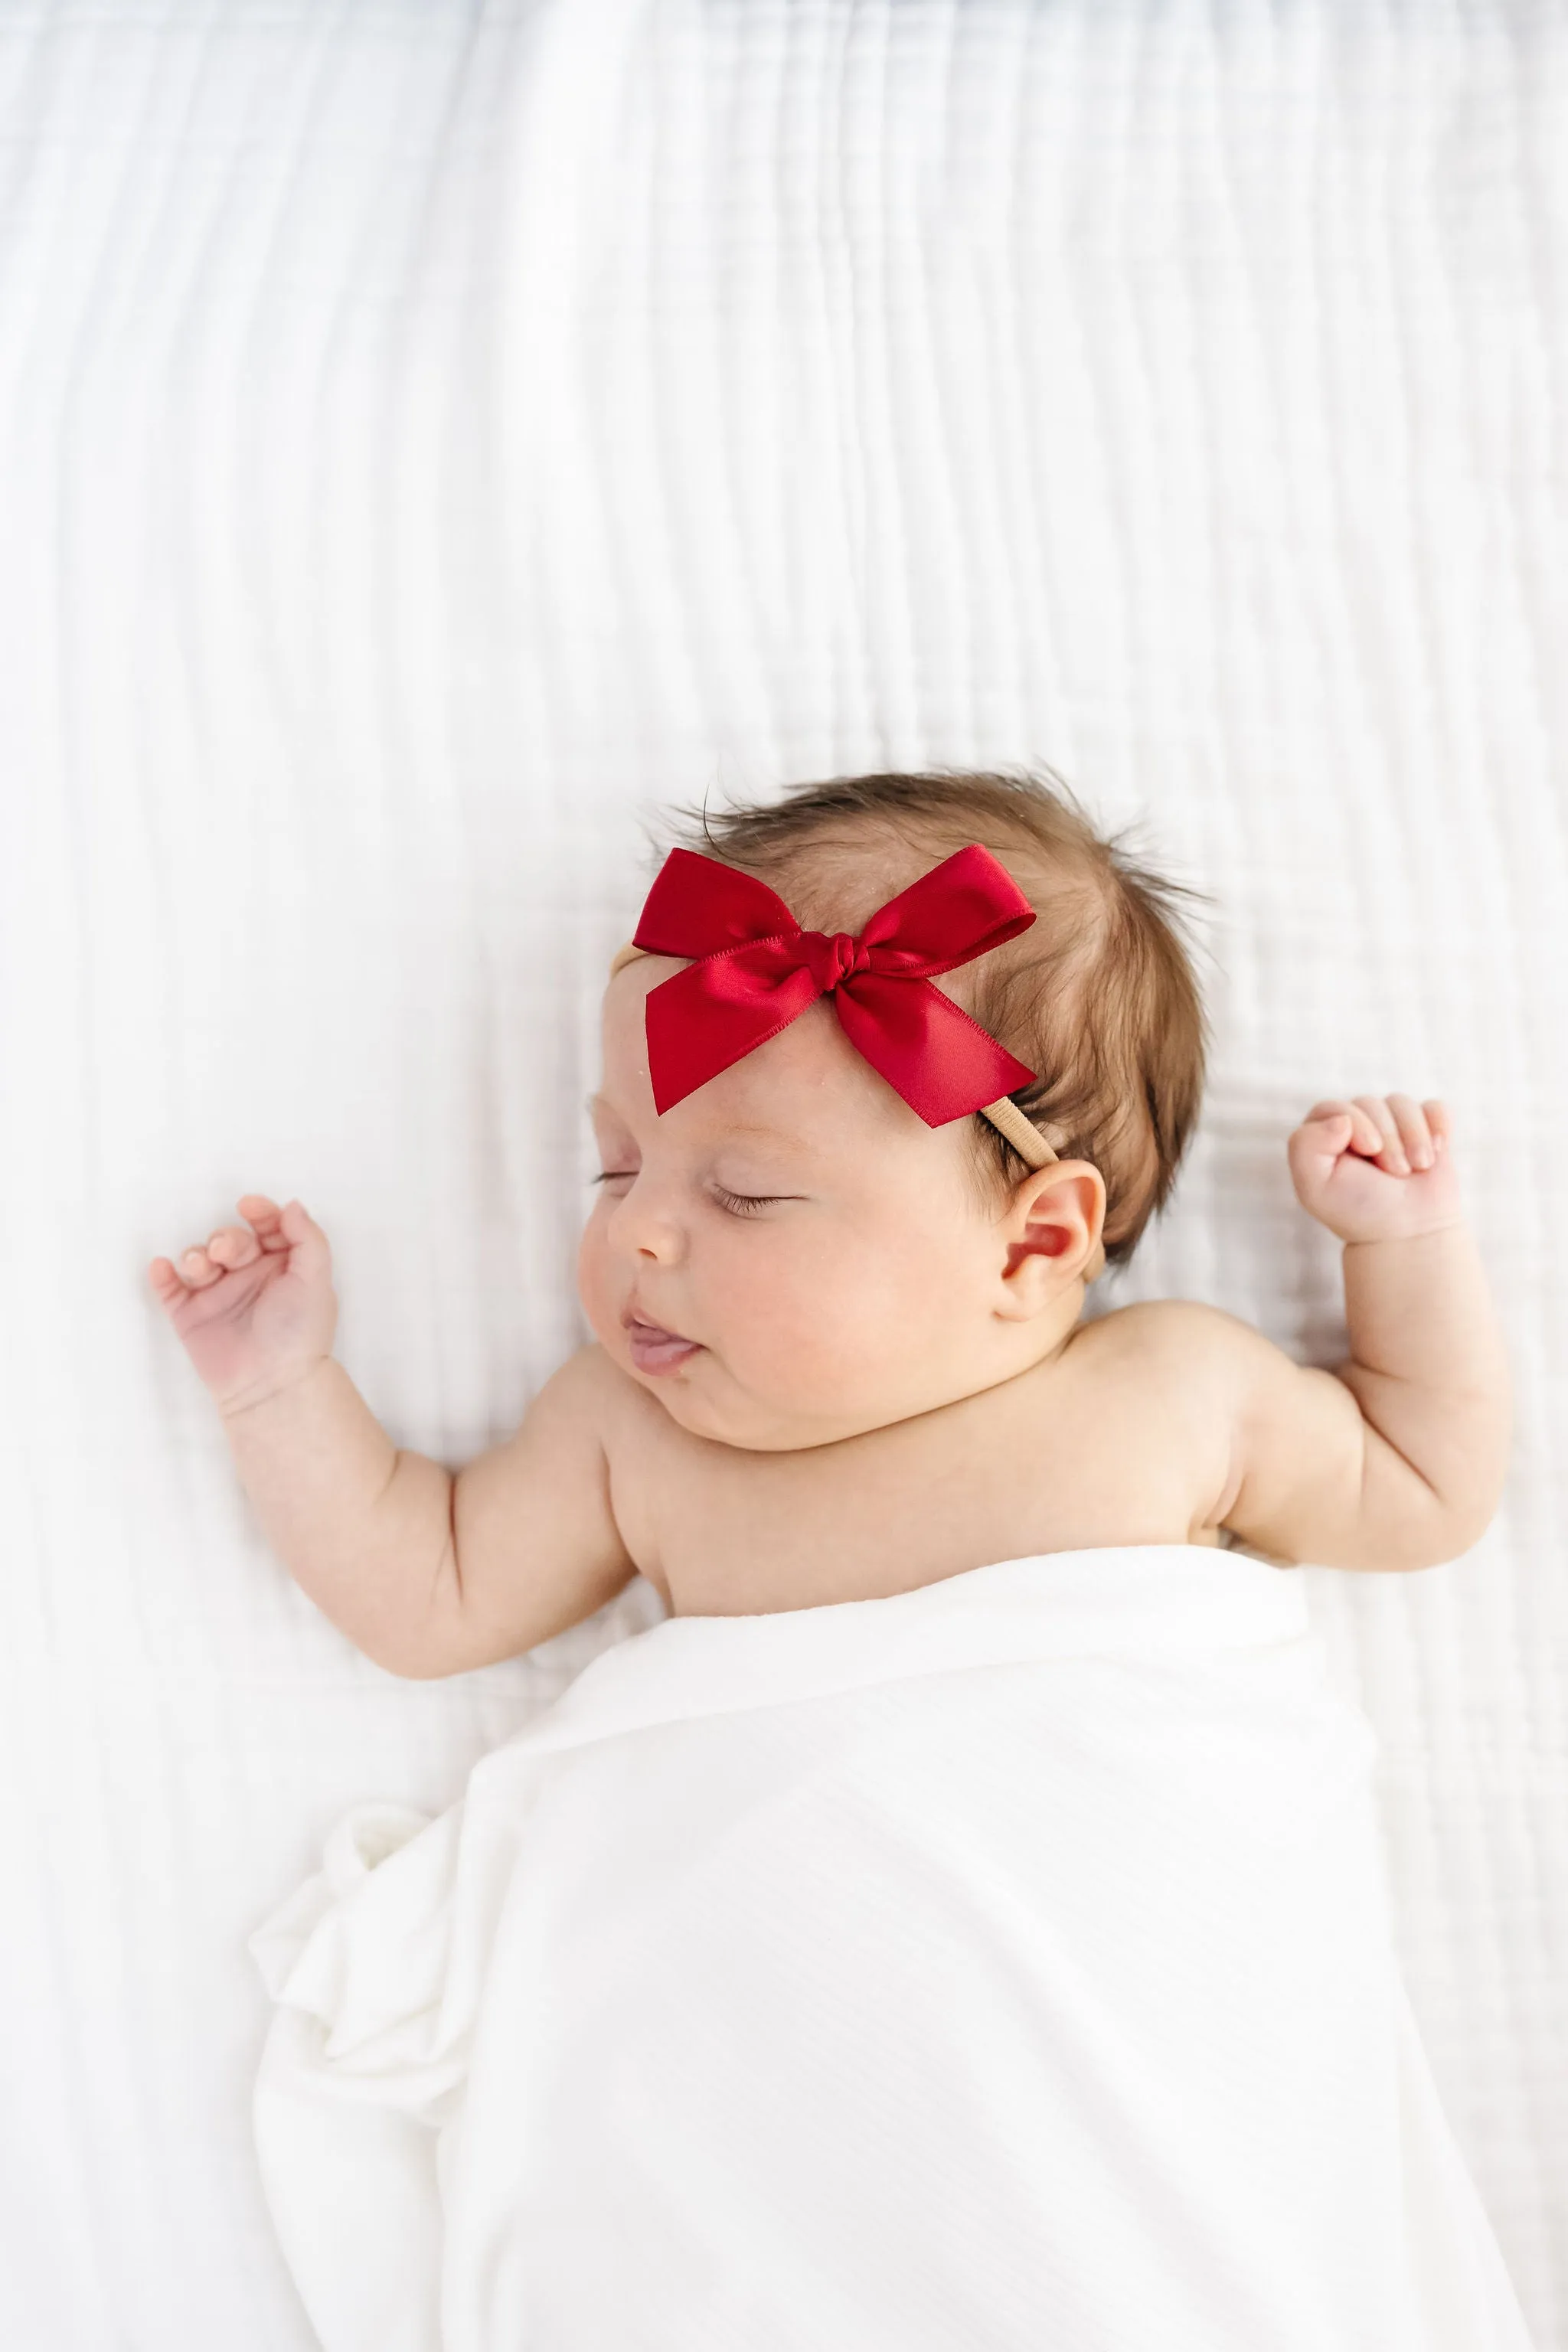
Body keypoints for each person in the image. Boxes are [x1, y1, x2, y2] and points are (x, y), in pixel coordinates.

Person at [149, 766, 1532, 2351]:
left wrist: (1402, 1251)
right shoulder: (639, 1437)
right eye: (618, 1166)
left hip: (1142, 2070)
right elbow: (429, 1591)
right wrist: (278, 1386)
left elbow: (1425, 1486)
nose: (637, 1238)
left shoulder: (1171, 1392)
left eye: (742, 1191)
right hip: (796, 2087)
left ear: (1031, 1242)